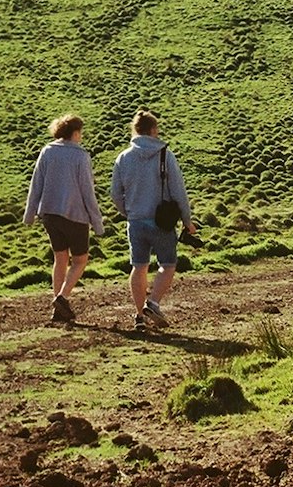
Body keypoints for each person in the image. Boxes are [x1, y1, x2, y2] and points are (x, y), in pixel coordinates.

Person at [110, 108, 199, 331]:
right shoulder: (165, 154)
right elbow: (178, 191)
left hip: (135, 221)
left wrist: (128, 212)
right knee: (168, 265)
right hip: (162, 221)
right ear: (153, 130)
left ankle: (140, 316)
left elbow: (114, 194)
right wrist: (187, 221)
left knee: (139, 267)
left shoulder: (123, 157)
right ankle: (154, 302)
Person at [23, 114, 105, 324]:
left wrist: (30, 213)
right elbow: (88, 192)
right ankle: (62, 297)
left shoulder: (47, 151)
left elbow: (36, 184)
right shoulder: (81, 156)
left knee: (60, 258)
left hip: (50, 214)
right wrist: (97, 222)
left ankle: (58, 309)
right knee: (80, 260)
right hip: (75, 215)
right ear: (75, 133)